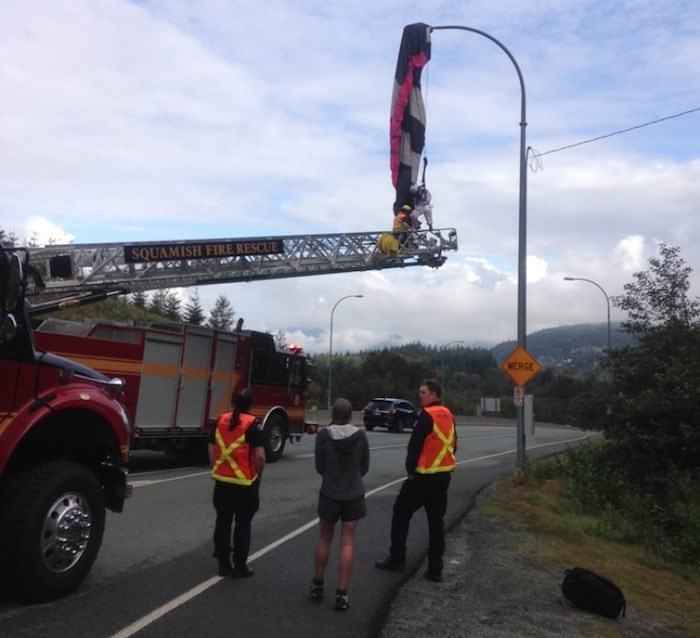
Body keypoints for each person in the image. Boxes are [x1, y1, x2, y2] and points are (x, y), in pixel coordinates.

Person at [375, 378, 457, 582]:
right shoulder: (448, 415)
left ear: (434, 394)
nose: (420, 396)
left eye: (423, 393)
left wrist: (410, 470)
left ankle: (397, 558)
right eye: (420, 393)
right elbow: (454, 444)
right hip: (443, 477)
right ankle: (436, 569)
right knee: (436, 522)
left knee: (401, 513)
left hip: (422, 477)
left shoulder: (425, 416)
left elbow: (415, 446)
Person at [310, 398, 370, 611]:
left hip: (330, 493)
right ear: (351, 416)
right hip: (353, 495)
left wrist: (332, 477)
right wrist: (352, 478)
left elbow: (320, 466)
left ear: (333, 415)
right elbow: (365, 466)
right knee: (347, 543)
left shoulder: (324, 436)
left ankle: (318, 584)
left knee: (325, 538)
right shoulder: (360, 436)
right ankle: (342, 593)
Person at [209, 388, 266, 578]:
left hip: (222, 481)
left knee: (223, 521)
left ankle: (223, 565)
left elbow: (211, 448)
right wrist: (258, 476)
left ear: (233, 402)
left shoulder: (220, 420)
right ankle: (240, 565)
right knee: (243, 523)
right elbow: (260, 456)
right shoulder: (253, 425)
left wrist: (217, 467)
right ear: (250, 404)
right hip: (244, 484)